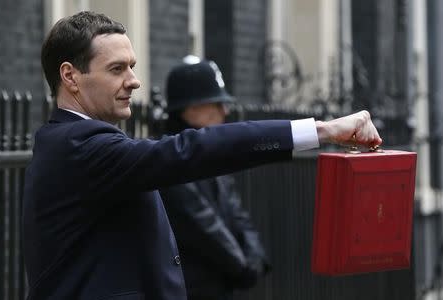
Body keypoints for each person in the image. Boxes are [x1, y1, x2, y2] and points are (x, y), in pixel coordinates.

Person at [22, 11, 382, 300]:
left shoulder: (77, 140)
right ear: (70, 76)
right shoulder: (79, 145)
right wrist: (321, 130)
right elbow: (189, 150)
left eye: (132, 66)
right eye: (117, 69)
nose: (134, 80)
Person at [160, 55, 270, 300]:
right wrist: (241, 265)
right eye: (217, 103)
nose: (225, 111)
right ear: (192, 108)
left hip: (218, 285)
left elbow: (235, 211)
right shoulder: (168, 159)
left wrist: (254, 255)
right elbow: (200, 223)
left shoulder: (211, 154)